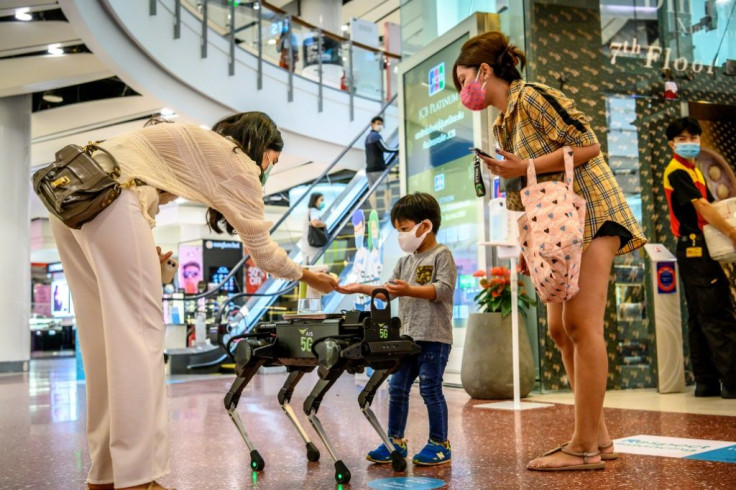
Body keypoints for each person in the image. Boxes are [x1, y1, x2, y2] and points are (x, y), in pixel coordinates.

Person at [49, 112, 337, 490]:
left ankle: (105, 475)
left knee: (101, 343)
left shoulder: (193, 144)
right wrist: (310, 275)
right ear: (260, 147)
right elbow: (264, 254)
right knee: (139, 341)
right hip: (112, 198)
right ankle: (137, 478)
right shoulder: (237, 160)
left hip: (73, 198)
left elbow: (144, 186)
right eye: (273, 160)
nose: (268, 170)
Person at [453, 31, 646, 471]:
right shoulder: (504, 121)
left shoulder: (534, 96)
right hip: (556, 229)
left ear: (484, 71)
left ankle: (583, 447)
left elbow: (589, 145)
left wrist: (525, 167)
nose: (463, 92)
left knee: (580, 323)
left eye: (463, 79)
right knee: (560, 329)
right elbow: (529, 187)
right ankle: (597, 436)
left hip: (592, 213)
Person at [338, 192, 457, 466]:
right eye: (398, 230)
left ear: (425, 226)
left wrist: (411, 290)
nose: (401, 235)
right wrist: (357, 287)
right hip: (406, 339)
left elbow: (443, 290)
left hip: (434, 337)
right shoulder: (405, 262)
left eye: (404, 229)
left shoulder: (442, 254)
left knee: (430, 388)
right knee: (397, 387)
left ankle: (440, 443)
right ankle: (395, 441)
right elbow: (386, 292)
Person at [663, 117, 736, 399]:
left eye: (694, 138)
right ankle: (732, 380)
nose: (690, 143)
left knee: (699, 315)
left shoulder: (693, 171)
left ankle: (706, 382)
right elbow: (703, 207)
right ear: (672, 143)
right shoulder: (677, 171)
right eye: (683, 139)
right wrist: (730, 231)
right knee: (717, 312)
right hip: (695, 248)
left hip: (694, 249)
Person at [364, 116, 398, 211]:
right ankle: (387, 210)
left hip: (369, 169)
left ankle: (374, 211)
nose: (380, 126)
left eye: (381, 124)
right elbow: (385, 148)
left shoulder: (367, 138)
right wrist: (398, 149)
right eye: (378, 123)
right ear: (372, 124)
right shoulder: (376, 136)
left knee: (372, 191)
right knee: (387, 189)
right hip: (379, 168)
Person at [300, 192, 327, 265]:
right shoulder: (314, 211)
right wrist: (324, 225)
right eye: (321, 200)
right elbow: (314, 222)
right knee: (313, 268)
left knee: (308, 266)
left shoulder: (308, 211)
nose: (323, 202)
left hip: (307, 244)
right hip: (312, 246)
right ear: (315, 201)